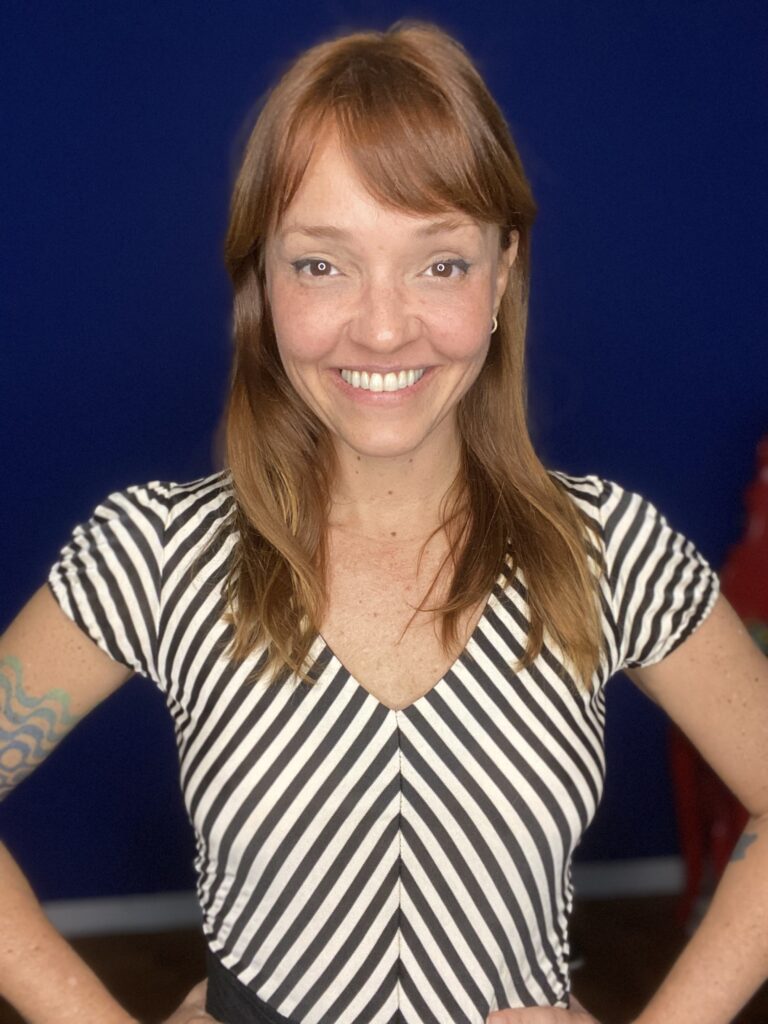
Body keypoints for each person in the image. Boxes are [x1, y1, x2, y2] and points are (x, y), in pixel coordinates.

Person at [1, 18, 766, 1024]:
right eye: (323, 264)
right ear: (261, 280)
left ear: (502, 273)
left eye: (438, 263)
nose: (383, 326)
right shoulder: (155, 553)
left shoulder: (609, 548)